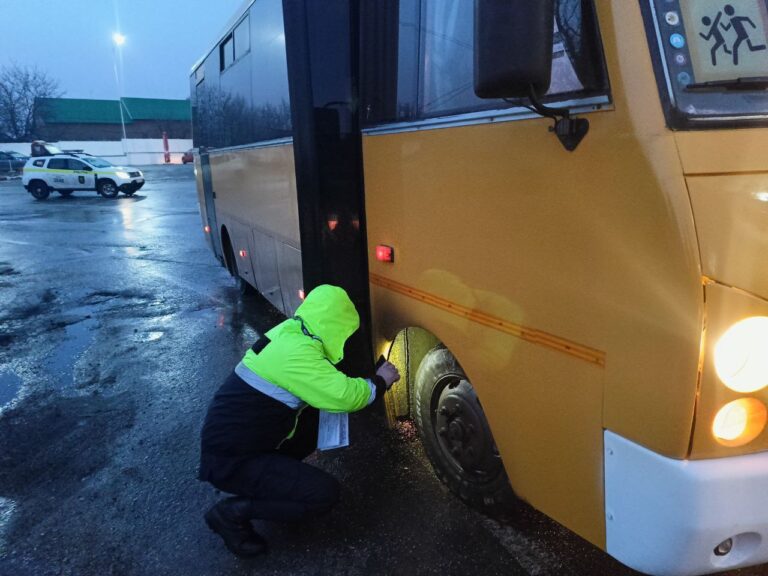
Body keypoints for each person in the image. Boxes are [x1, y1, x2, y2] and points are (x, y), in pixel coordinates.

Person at [198, 284, 400, 557]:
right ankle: (231, 513)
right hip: (232, 462)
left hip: (236, 444)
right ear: (335, 325)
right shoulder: (298, 355)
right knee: (324, 494)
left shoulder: (291, 333)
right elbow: (346, 396)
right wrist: (380, 381)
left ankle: (278, 482)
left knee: (314, 416)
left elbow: (326, 386)